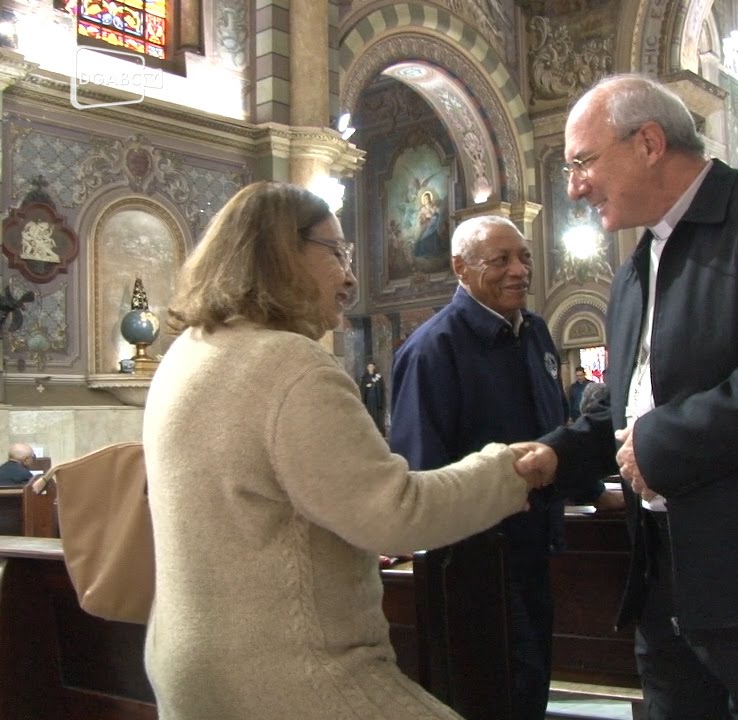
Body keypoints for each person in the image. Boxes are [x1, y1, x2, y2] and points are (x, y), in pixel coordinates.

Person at [142, 181, 554, 720]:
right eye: (336, 253)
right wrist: (509, 472)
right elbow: (395, 512)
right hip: (294, 673)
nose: (351, 277)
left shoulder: (185, 356)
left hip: (194, 670)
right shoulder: (291, 365)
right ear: (281, 252)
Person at [539, 73, 738, 720]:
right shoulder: (634, 270)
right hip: (666, 588)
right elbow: (629, 414)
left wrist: (660, 442)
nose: (575, 186)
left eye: (583, 162)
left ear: (649, 142)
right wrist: (553, 458)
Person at [389, 215, 604, 720]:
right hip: (472, 563)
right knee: (487, 696)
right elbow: (421, 469)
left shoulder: (535, 333)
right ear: (460, 268)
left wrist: (590, 487)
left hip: (535, 546)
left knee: (530, 688)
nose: (519, 270)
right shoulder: (432, 349)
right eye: (501, 259)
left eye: (524, 257)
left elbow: (555, 425)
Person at [360, 361, 387, 435]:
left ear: (374, 367)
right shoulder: (365, 377)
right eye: (369, 367)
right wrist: (367, 387)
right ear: (367, 368)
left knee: (377, 416)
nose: (370, 368)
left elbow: (382, 389)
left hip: (377, 400)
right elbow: (362, 389)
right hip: (369, 400)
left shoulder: (378, 377)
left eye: (372, 367)